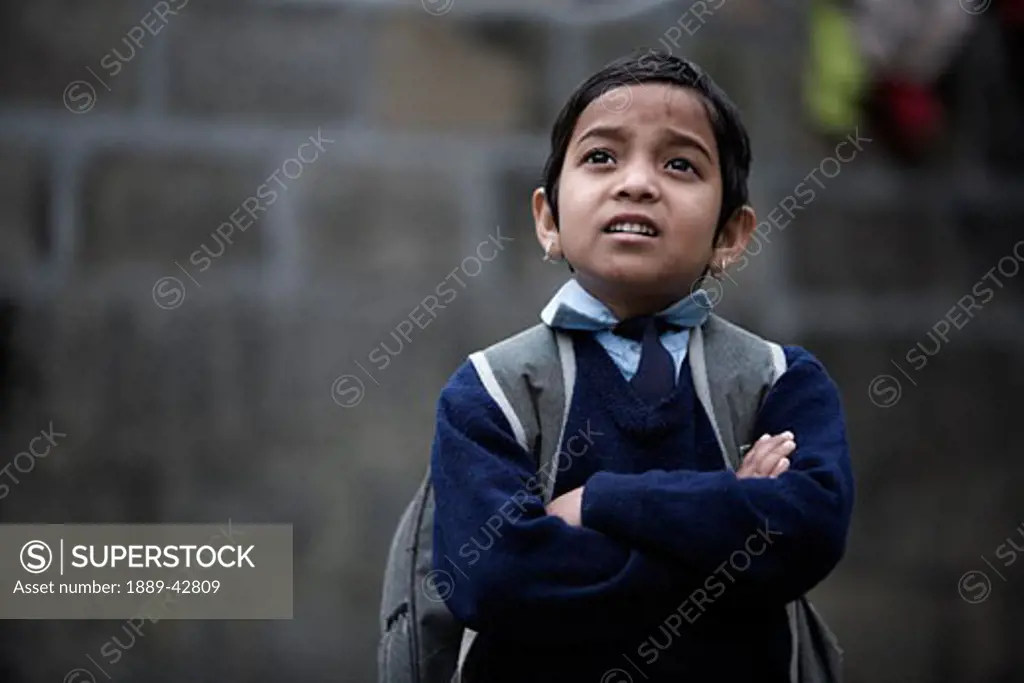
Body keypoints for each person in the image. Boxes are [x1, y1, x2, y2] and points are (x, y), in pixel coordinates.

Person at [429, 52, 855, 683]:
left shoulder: (778, 380)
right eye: (601, 157)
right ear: (548, 220)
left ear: (730, 235)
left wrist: (600, 502)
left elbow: (807, 531)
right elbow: (492, 578)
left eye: (680, 164)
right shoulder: (493, 388)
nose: (637, 183)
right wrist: (731, 511)